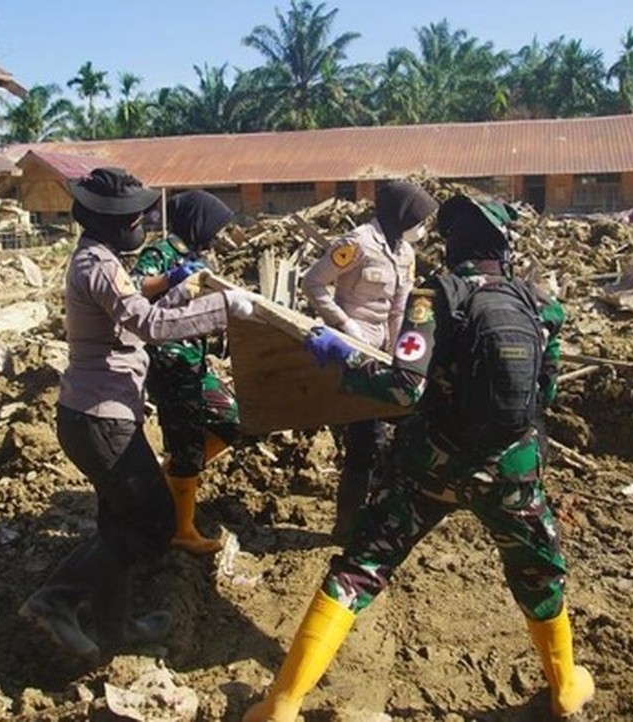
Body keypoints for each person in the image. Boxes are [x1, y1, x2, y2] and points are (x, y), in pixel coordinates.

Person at [245, 194, 593, 721]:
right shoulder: (543, 307)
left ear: (451, 245)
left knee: (360, 567)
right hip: (512, 471)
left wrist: (344, 361)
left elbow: (405, 389)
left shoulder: (435, 298)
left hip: (431, 465)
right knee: (538, 573)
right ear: (506, 247)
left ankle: (282, 704)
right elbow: (543, 400)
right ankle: (566, 687)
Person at [19, 167, 258, 657]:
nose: (143, 223)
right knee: (152, 523)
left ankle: (114, 626)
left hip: (100, 413)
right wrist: (224, 309)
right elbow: (148, 326)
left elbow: (131, 313)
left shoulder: (99, 258)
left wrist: (175, 287)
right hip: (99, 417)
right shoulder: (99, 265)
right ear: (113, 222)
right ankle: (53, 600)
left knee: (118, 524)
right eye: (135, 217)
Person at [299, 180, 438, 542]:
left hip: (385, 353)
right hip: (352, 351)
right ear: (402, 215)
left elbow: (399, 308)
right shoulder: (357, 243)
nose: (423, 229)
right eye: (420, 220)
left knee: (403, 430)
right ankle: (347, 525)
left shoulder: (404, 251)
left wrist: (400, 354)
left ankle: (381, 513)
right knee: (366, 438)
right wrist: (343, 324)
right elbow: (312, 282)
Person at [130, 190, 242, 555]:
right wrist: (172, 278)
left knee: (231, 419)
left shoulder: (196, 256)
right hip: (169, 360)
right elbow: (134, 290)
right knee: (186, 442)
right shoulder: (160, 254)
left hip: (193, 359)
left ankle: (174, 477)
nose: (217, 234)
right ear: (198, 221)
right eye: (214, 226)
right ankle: (181, 527)